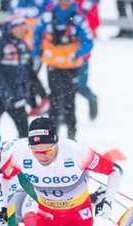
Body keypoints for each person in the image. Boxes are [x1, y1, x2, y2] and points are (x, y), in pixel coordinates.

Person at [33, 0, 94, 140]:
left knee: (69, 101)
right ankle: (52, 135)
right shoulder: (48, 16)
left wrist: (78, 54)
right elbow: (37, 34)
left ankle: (71, 137)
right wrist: (36, 54)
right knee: (54, 100)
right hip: (53, 64)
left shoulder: (79, 18)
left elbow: (88, 41)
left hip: (71, 66)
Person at [0, 16, 31, 138]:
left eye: (24, 28)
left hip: (17, 95)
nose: (22, 31)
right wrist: (6, 94)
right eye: (19, 28)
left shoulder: (23, 45)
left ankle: (22, 154)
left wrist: (25, 92)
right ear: (11, 29)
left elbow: (26, 72)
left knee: (25, 132)